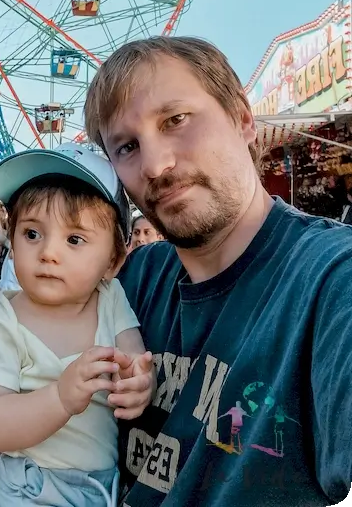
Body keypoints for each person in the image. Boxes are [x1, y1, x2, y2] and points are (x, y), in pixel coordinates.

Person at [84, 36, 352, 505]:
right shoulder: (135, 282)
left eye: (176, 120)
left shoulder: (330, 279)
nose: (156, 165)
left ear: (243, 118)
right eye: (127, 147)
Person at [0, 143, 155, 507]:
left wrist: (141, 384)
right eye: (32, 233)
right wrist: (59, 398)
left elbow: (133, 360)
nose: (48, 252)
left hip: (104, 488)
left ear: (114, 259)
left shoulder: (110, 299)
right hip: (30, 489)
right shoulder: (0, 322)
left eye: (74, 239)